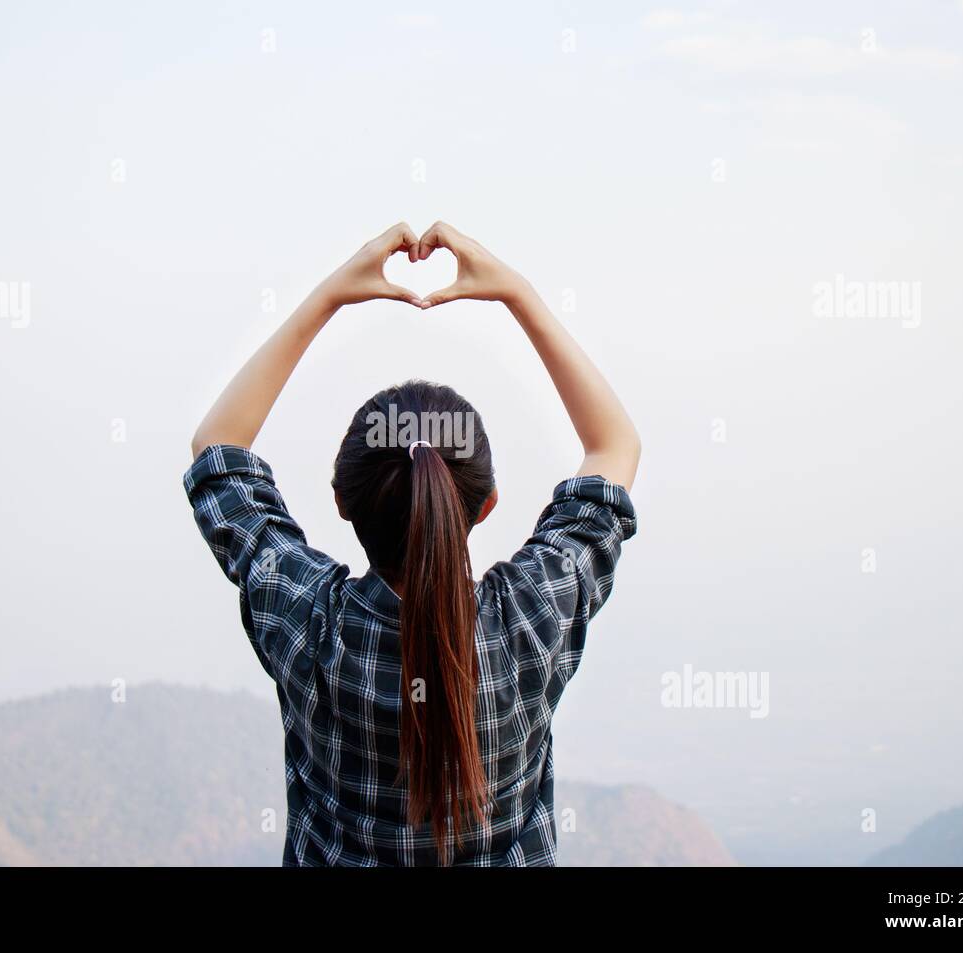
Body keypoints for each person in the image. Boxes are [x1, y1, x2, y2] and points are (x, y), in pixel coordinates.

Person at [185, 221, 640, 865]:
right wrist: (518, 294)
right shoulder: (532, 617)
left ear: (342, 502)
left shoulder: (309, 623)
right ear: (485, 506)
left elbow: (218, 450)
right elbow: (614, 446)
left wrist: (330, 295)